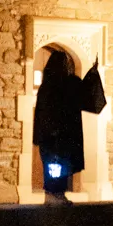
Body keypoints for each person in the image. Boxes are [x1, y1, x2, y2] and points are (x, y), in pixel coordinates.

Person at [31, 47, 86, 206]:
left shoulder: (55, 86)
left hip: (54, 135)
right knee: (55, 165)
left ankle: (54, 195)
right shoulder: (53, 87)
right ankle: (53, 195)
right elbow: (48, 111)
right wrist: (53, 130)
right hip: (54, 135)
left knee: (58, 165)